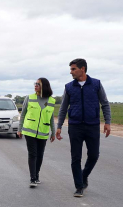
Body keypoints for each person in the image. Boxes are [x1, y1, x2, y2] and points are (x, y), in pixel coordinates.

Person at [56, 58, 111, 197]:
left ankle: (83, 175)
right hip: (75, 126)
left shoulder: (96, 84)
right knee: (76, 158)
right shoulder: (69, 87)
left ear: (83, 69)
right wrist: (59, 126)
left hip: (92, 126)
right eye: (71, 69)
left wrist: (107, 122)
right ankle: (79, 186)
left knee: (94, 155)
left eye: (73, 69)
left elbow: (104, 103)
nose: (71, 72)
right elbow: (63, 108)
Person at [18, 78, 56, 187]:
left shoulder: (51, 101)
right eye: (35, 84)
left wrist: (53, 132)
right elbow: (23, 114)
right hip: (29, 131)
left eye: (38, 84)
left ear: (44, 86)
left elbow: (51, 118)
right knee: (33, 154)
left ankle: (37, 174)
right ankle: (33, 178)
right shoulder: (29, 98)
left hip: (43, 132)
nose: (35, 86)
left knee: (40, 155)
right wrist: (19, 129)